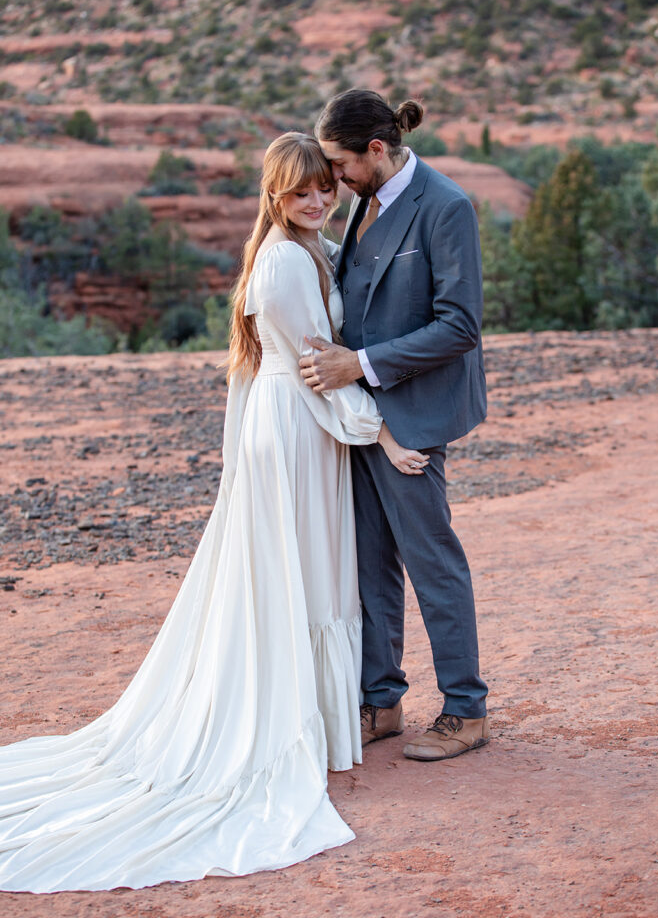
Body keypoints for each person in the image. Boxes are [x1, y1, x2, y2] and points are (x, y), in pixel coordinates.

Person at [0, 132, 426, 893]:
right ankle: (293, 727)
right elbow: (315, 371)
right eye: (301, 192)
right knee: (301, 574)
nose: (319, 200)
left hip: (291, 429)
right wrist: (387, 435)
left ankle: (325, 723)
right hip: (298, 429)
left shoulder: (299, 249)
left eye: (324, 187)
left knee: (302, 573)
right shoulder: (287, 261)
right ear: (273, 195)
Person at [299, 90, 490, 762]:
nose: (333, 179)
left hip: (414, 413)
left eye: (339, 164)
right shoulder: (361, 203)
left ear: (375, 151)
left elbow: (459, 325)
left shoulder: (446, 207)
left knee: (431, 561)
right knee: (369, 563)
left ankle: (466, 711)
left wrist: (360, 363)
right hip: (361, 418)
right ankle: (380, 702)